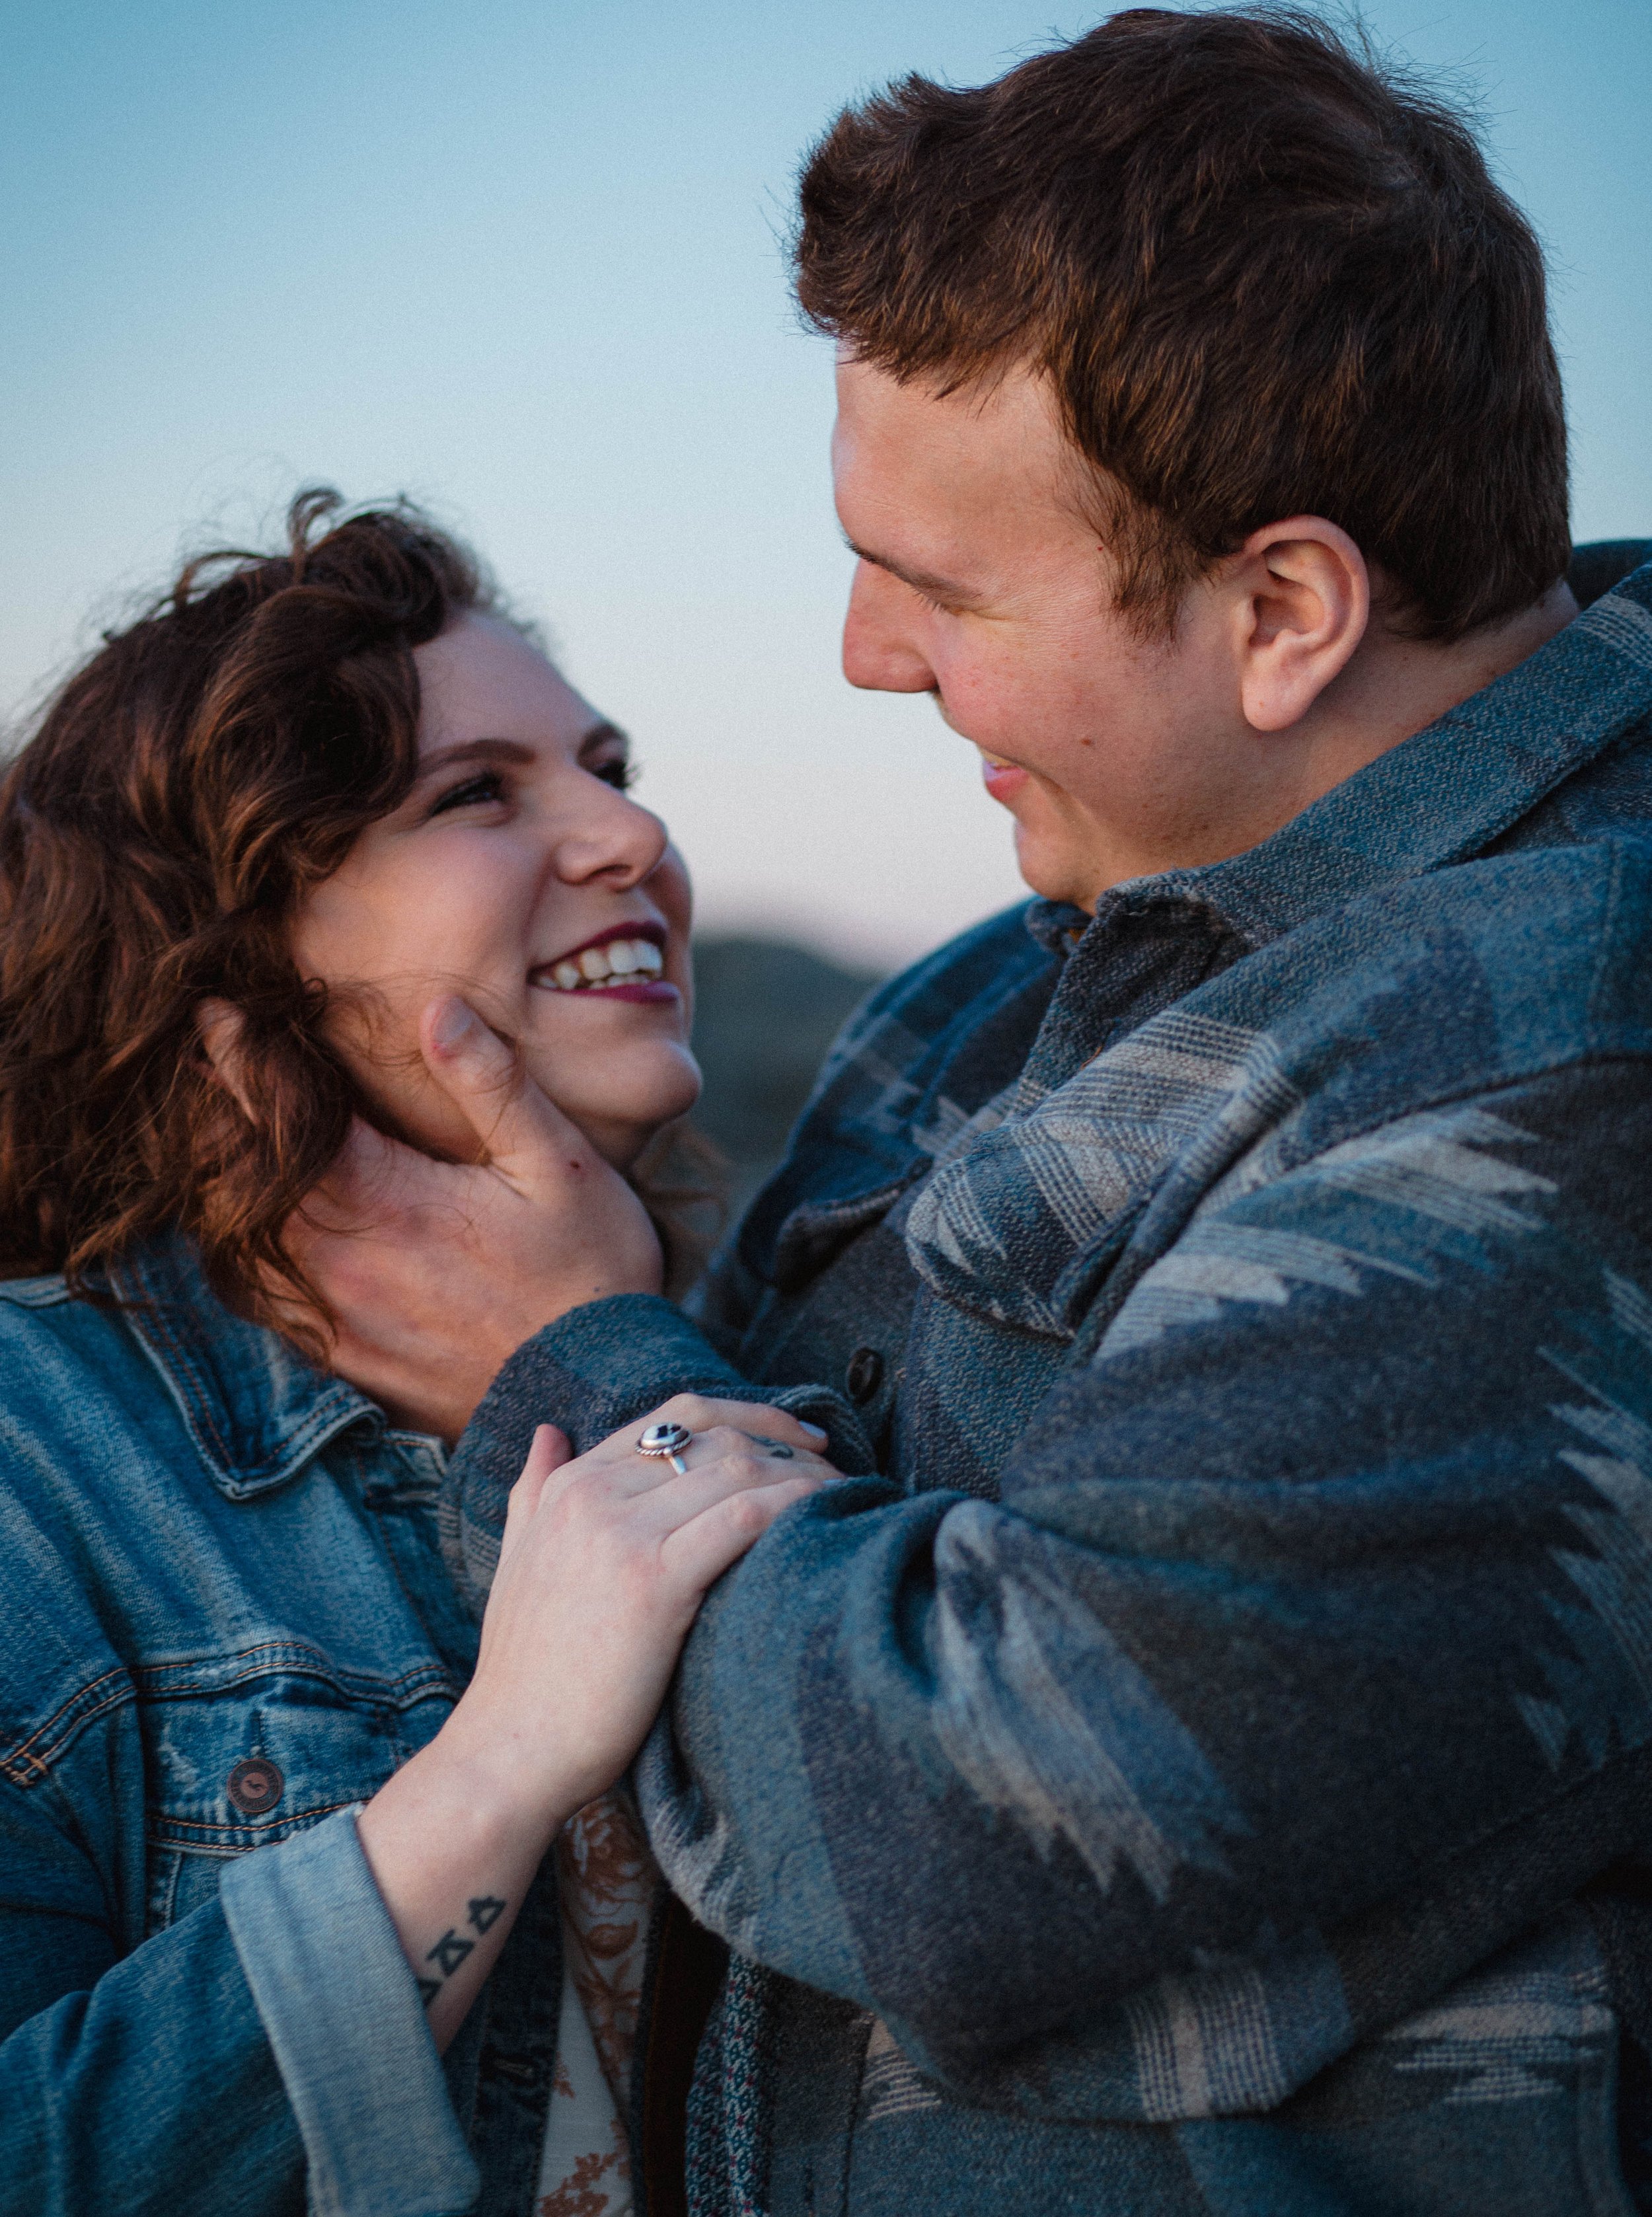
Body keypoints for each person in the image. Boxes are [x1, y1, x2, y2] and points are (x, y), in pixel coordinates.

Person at [300, 12, 1652, 2216]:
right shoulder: (1003, 984)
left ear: (1284, 610)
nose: (858, 653)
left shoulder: (1569, 1075)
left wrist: (567, 1373)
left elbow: (970, 1839)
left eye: (939, 586)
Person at [0, 492, 843, 2216]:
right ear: (233, 962)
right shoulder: (36, 1461)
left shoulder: (751, 1357)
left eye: (608, 763)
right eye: (478, 793)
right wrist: (504, 1759)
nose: (630, 830)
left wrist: (587, 1354)